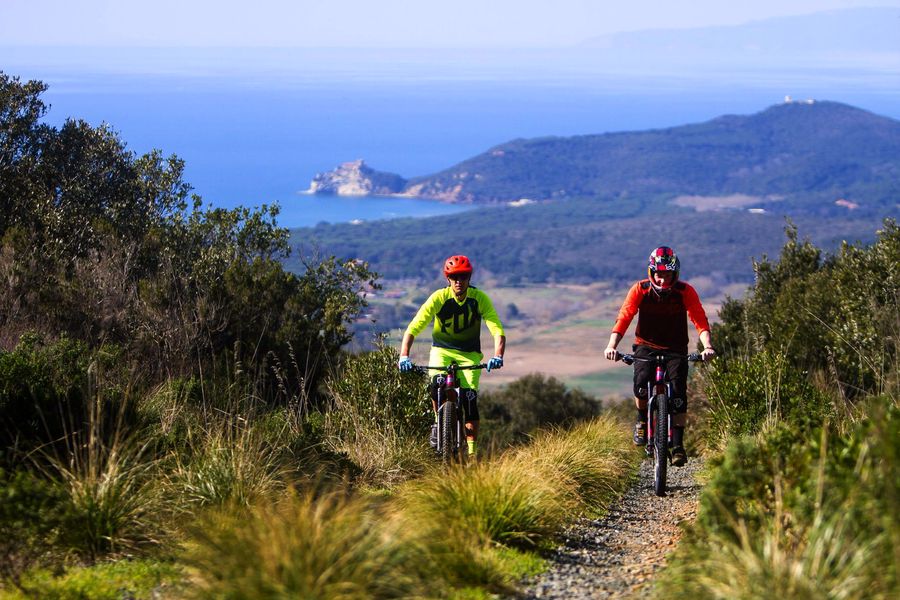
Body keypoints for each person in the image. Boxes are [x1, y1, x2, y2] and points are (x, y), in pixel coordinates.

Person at [603, 246, 715, 466]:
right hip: (646, 345)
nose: (663, 280)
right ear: (651, 273)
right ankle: (641, 421)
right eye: (659, 274)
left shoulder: (685, 291)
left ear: (675, 274)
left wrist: (707, 346)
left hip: (676, 348)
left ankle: (678, 446)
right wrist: (611, 345)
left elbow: (699, 319)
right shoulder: (640, 290)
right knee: (641, 385)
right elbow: (624, 317)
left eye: (667, 275)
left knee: (679, 393)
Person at [398, 255, 505, 457]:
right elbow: (414, 327)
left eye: (463, 276)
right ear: (448, 278)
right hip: (442, 350)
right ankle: (440, 424)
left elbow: (496, 328)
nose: (459, 281)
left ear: (469, 277)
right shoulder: (439, 297)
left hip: (470, 354)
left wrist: (498, 355)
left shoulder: (479, 298)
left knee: (469, 398)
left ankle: (472, 453)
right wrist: (404, 355)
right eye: (454, 277)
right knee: (437, 385)